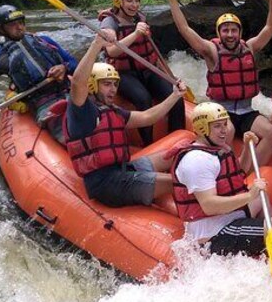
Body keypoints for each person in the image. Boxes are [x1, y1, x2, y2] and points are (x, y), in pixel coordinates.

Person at [163, 0, 272, 166]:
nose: (230, 34)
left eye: (234, 30)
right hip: (221, 110)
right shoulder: (211, 51)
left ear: (240, 33)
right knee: (228, 132)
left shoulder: (249, 47)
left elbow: (270, 28)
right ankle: (225, 171)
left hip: (246, 110)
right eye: (225, 30)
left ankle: (249, 173)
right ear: (219, 33)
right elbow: (184, 29)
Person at [63, 36, 187, 207]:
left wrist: (175, 95)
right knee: (181, 181)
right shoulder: (82, 112)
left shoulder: (113, 111)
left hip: (123, 169)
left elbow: (147, 117)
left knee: (181, 154)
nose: (113, 89)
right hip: (107, 185)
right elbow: (77, 82)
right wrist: (97, 44)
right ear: (92, 85)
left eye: (115, 84)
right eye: (107, 84)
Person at [171, 102, 272, 255]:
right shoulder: (197, 160)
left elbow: (240, 170)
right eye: (217, 126)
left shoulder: (218, 148)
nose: (224, 131)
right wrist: (249, 195)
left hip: (226, 217)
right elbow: (209, 205)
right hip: (212, 234)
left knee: (261, 196)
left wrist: (247, 148)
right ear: (202, 129)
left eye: (225, 124)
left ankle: (267, 248)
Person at [0, 5, 78, 143]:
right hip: (43, 103)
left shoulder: (44, 41)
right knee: (71, 135)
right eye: (13, 24)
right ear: (1, 29)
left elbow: (74, 64)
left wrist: (64, 67)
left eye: (20, 22)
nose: (19, 27)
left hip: (69, 92)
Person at [98, 0, 185, 146]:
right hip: (123, 74)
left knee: (176, 97)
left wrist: (166, 73)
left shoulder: (140, 18)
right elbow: (111, 51)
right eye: (129, 0)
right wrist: (135, 33)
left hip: (147, 69)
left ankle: (178, 138)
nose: (134, 4)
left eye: (136, 0)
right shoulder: (110, 22)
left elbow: (151, 50)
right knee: (143, 99)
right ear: (119, 2)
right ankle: (148, 144)